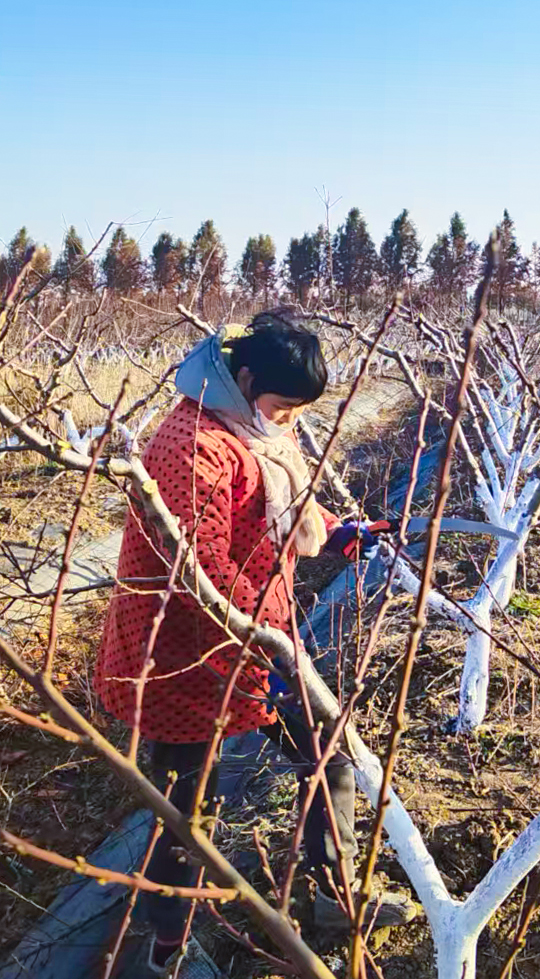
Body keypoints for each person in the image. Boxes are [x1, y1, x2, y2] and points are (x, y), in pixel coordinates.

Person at [95, 312, 415, 975]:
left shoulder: (257, 423)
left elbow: (282, 506)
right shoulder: (193, 446)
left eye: (299, 409)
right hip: (183, 656)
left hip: (257, 642)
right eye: (283, 404)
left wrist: (337, 532)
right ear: (243, 379)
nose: (290, 419)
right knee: (187, 808)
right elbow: (199, 574)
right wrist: (264, 650)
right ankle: (166, 953)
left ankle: (336, 897)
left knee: (327, 754)